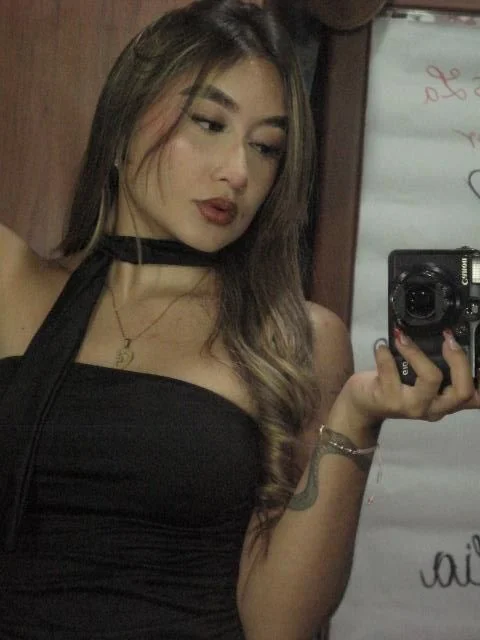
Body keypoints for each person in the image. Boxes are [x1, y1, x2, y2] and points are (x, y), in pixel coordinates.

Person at [0, 0, 478, 638]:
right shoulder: (11, 282)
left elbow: (278, 625)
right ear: (123, 118)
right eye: (208, 123)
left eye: (266, 147)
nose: (238, 172)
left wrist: (356, 417)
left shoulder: (294, 339)